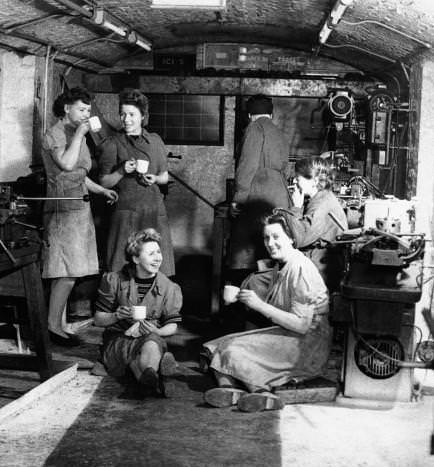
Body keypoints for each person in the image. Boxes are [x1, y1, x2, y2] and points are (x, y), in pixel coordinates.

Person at [202, 214, 331, 412]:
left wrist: (259, 305)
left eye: (276, 237)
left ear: (291, 238)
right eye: (267, 238)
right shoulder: (282, 265)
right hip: (292, 335)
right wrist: (242, 298)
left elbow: (302, 325)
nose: (271, 244)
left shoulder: (301, 268)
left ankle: (262, 393)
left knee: (232, 348)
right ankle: (230, 390)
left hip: (308, 344)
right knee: (216, 346)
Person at [42, 87, 118, 346]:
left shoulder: (76, 133)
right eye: (81, 109)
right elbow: (65, 163)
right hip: (62, 208)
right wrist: (81, 135)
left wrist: (101, 189)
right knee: (65, 271)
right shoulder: (54, 134)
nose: (86, 114)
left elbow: (80, 175)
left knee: (72, 271)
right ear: (66, 108)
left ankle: (58, 324)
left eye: (88, 110)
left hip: (79, 206)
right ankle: (52, 326)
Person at [94, 228, 183, 397]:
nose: (158, 258)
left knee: (151, 343)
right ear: (135, 258)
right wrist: (116, 315)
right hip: (119, 337)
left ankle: (146, 378)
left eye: (158, 252)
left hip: (150, 336)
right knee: (133, 353)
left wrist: (157, 330)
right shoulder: (114, 280)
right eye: (151, 254)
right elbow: (98, 320)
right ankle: (154, 377)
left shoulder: (169, 287)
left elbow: (172, 325)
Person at [98, 88, 175, 277]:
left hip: (154, 212)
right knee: (122, 269)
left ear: (143, 116)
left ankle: (153, 305)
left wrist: (156, 178)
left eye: (132, 114)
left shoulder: (155, 141)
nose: (126, 119)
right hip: (126, 215)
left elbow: (165, 175)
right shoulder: (112, 143)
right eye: (123, 114)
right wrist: (121, 170)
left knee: (156, 267)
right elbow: (104, 182)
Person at [229, 94, 292, 277]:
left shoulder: (254, 129)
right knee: (272, 246)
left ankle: (247, 289)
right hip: (279, 194)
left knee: (248, 249)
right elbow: (286, 169)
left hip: (258, 192)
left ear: (249, 115)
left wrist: (238, 199)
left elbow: (247, 166)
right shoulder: (279, 132)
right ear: (271, 115)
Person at [280, 156, 347, 289]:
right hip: (318, 259)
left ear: (314, 180)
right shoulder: (320, 197)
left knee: (261, 282)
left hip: (321, 266)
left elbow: (302, 239)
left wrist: (296, 208)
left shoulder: (321, 203)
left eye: (298, 178)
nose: (295, 181)